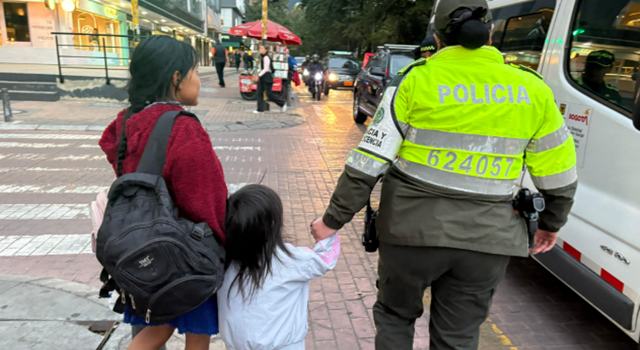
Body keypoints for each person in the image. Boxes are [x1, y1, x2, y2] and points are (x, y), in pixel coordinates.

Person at [310, 0, 578, 349]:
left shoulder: (415, 80)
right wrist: (551, 223)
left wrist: (332, 220)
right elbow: (558, 173)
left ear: (436, 37)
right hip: (487, 240)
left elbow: (369, 161)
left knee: (395, 317)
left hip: (409, 233)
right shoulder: (533, 90)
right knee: (458, 337)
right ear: (491, 32)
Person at [99, 35, 228, 350]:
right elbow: (205, 202)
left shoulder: (127, 121)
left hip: (140, 250)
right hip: (183, 254)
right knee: (196, 332)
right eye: (193, 72)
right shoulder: (183, 128)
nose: (198, 80)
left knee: (154, 327)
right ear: (175, 78)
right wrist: (223, 242)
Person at [218, 184, 340, 350]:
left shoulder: (223, 259)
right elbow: (325, 260)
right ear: (274, 224)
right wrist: (327, 230)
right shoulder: (291, 260)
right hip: (284, 345)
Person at [255, 44, 287, 113]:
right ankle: (260, 109)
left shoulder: (266, 57)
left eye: (261, 48)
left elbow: (266, 69)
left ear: (265, 50)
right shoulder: (262, 57)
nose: (260, 50)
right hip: (263, 77)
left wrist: (259, 75)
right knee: (259, 93)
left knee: (269, 95)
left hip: (267, 77)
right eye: (259, 48)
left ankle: (282, 103)